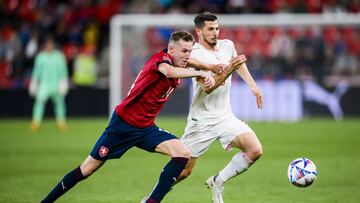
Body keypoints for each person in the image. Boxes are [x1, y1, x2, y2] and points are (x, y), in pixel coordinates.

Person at [41, 31, 217, 203]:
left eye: (190, 50)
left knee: (182, 154)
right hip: (123, 125)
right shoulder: (161, 60)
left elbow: (190, 63)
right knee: (87, 169)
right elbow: (168, 71)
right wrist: (200, 73)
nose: (188, 56)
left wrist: (209, 67)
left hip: (146, 128)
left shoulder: (180, 62)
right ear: (171, 50)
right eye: (184, 51)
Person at [177, 13, 264, 203]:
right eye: (210, 29)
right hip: (202, 121)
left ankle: (218, 181)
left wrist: (253, 86)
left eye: (217, 28)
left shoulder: (227, 45)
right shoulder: (195, 55)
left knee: (255, 150)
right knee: (184, 171)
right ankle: (151, 198)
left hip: (225, 116)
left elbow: (238, 64)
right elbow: (208, 88)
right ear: (198, 31)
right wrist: (230, 68)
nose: (215, 32)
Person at [29, 36, 69, 131]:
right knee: (39, 102)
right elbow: (36, 71)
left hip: (56, 84)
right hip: (44, 85)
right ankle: (36, 122)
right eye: (48, 45)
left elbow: (63, 71)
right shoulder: (40, 57)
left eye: (51, 45)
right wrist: (34, 82)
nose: (49, 47)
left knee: (60, 103)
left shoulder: (59, 56)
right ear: (45, 46)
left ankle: (61, 122)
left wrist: (64, 82)